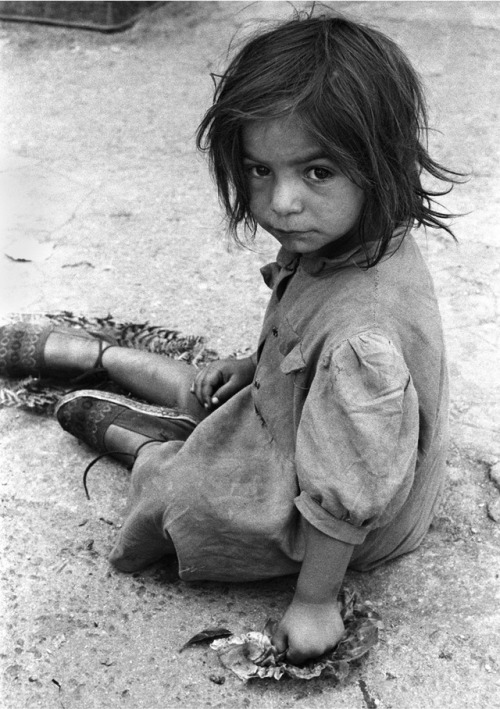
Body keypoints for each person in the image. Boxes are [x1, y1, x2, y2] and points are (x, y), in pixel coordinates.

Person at [0, 13, 461, 665]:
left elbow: (350, 489)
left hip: (344, 518)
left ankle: (138, 442)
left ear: (378, 163)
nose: (282, 202)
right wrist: (253, 365)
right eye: (259, 170)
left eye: (317, 172)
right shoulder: (351, 234)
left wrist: (314, 602)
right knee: (214, 385)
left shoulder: (366, 340)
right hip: (306, 419)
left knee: (180, 496)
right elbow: (302, 335)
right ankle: (96, 354)